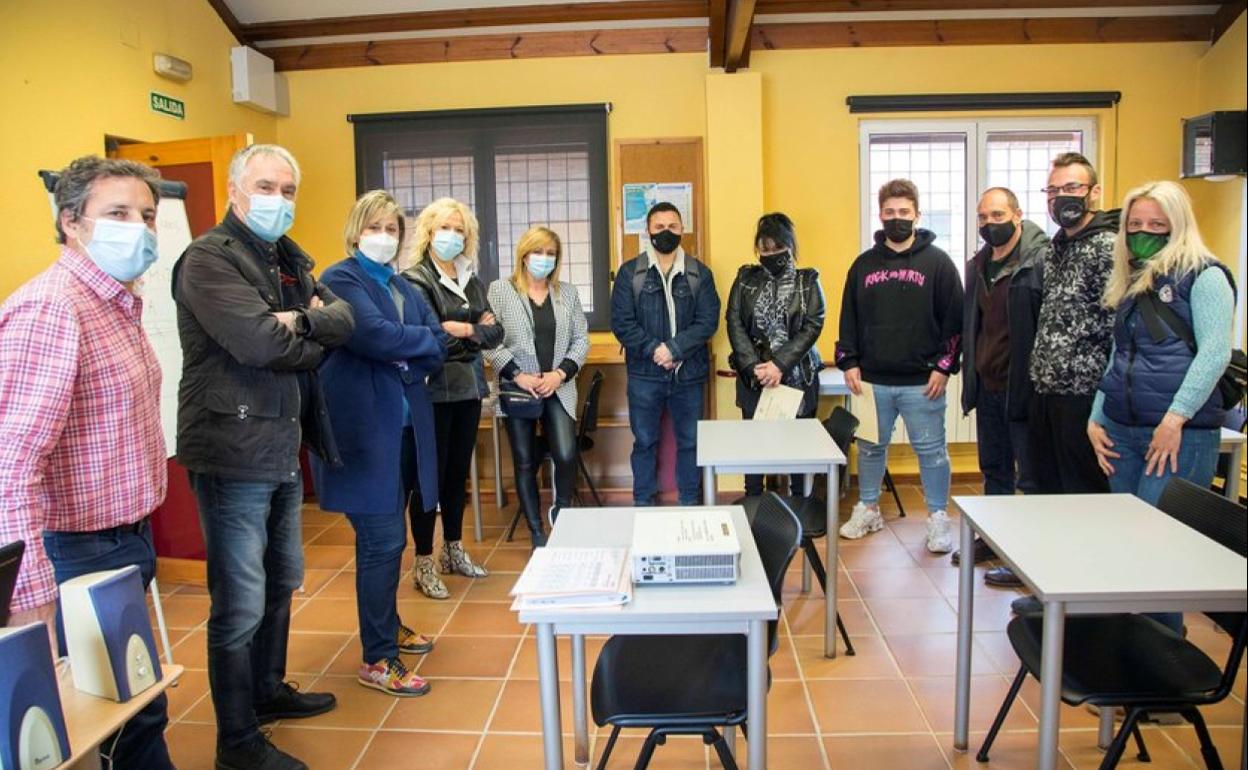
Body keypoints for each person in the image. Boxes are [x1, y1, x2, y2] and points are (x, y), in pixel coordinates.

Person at [174, 144, 355, 770]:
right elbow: (254, 342)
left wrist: (299, 325)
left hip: (279, 442)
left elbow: (344, 321)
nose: (278, 199)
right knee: (240, 600)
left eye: (287, 188)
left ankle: (267, 690)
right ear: (234, 190)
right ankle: (236, 740)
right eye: (265, 186)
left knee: (282, 581)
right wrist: (305, 330)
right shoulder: (206, 259)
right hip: (230, 448)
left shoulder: (288, 256)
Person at [0, 156, 174, 769]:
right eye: (118, 213)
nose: (140, 228)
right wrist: (31, 596)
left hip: (123, 540)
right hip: (75, 552)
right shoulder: (53, 308)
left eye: (147, 215)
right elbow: (12, 463)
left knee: (134, 705)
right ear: (72, 223)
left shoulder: (115, 302)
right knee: (119, 722)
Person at [313, 190, 449, 696]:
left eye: (393, 229)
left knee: (394, 537)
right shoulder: (339, 278)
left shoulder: (400, 283)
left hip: (407, 428)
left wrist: (406, 347)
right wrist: (408, 345)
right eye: (376, 227)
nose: (386, 237)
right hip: (366, 433)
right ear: (356, 231)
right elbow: (371, 336)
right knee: (381, 539)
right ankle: (377, 658)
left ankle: (387, 625)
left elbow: (436, 342)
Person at [1088, 181, 1235, 631]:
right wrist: (1096, 417)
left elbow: (1214, 353)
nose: (1143, 233)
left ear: (1178, 225)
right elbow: (1119, 355)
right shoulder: (1134, 280)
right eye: (1134, 225)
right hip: (1123, 432)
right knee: (1130, 546)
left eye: (1156, 224)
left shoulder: (1206, 276)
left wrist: (1175, 419)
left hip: (1176, 437)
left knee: (1160, 548)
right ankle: (1134, 650)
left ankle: (1162, 658)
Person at [835, 179, 964, 553]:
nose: (897, 219)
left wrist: (943, 367)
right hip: (871, 380)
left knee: (932, 451)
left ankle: (938, 519)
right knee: (871, 448)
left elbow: (954, 320)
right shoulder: (863, 265)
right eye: (890, 213)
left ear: (917, 215)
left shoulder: (938, 263)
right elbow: (849, 318)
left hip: (922, 381)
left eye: (904, 212)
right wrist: (850, 362)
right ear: (880, 215)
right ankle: (869, 508)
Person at [401, 198, 501, 598]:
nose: (453, 235)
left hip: (468, 388)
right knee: (430, 478)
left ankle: (453, 550)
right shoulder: (414, 280)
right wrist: (470, 329)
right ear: (428, 231)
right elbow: (430, 339)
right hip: (431, 391)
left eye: (460, 229)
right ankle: (423, 560)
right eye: (445, 227)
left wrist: (462, 330)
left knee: (458, 474)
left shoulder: (470, 278)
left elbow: (496, 333)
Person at [955, 187, 1048, 584]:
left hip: (1023, 386)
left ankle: (1026, 557)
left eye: (997, 215)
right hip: (988, 382)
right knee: (994, 469)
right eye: (982, 217)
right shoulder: (977, 266)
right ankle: (994, 540)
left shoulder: (1038, 261)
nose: (989, 224)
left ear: (1017, 214)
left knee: (1031, 475)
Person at [485, 226, 590, 547]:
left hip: (557, 385)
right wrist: (518, 374)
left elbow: (581, 339)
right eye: (538, 252)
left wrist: (560, 374)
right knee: (525, 461)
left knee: (566, 452)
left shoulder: (567, 293)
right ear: (524, 255)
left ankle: (561, 510)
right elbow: (488, 341)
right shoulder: (501, 291)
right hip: (519, 388)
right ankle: (535, 532)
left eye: (550, 254)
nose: (543, 259)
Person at [610, 202, 721, 506]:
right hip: (644, 375)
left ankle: (690, 503)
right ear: (648, 231)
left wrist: (674, 349)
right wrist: (655, 351)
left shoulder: (700, 274)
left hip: (689, 375)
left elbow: (707, 321)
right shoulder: (630, 273)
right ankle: (644, 503)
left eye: (672, 226)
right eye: (659, 227)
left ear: (681, 229)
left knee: (690, 443)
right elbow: (622, 323)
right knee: (645, 442)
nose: (666, 232)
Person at [1028, 152, 1118, 495]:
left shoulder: (1109, 247)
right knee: (1046, 486)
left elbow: (1119, 328)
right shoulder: (1053, 250)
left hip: (1086, 394)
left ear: (1094, 192)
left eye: (1071, 187)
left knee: (1083, 490)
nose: (1060, 197)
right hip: (1046, 390)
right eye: (1052, 191)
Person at [725, 212, 825, 496]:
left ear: (790, 247)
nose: (771, 255)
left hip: (796, 377)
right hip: (753, 377)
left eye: (777, 248)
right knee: (754, 447)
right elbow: (734, 322)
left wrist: (779, 365)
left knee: (797, 449)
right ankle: (754, 502)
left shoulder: (808, 281)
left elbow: (813, 324)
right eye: (765, 249)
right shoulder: (745, 279)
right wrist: (753, 366)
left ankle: (798, 508)